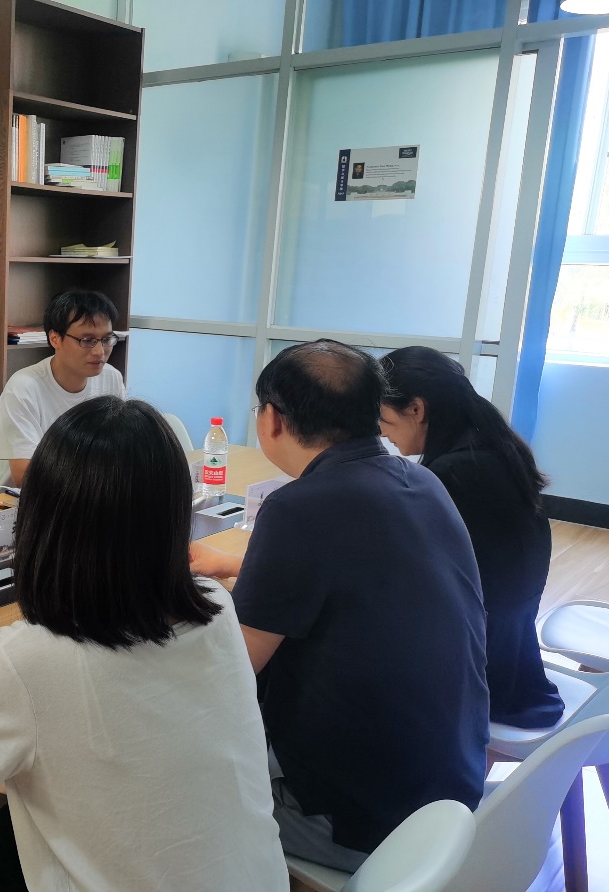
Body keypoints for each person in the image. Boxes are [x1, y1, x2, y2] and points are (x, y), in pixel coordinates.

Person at [0, 397, 289, 892]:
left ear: (42, 522)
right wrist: (18, 652)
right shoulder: (215, 604)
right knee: (10, 835)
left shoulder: (30, 661)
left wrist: (14, 662)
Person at [224, 340, 489, 872]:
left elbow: (231, 668)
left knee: (166, 783)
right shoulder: (424, 481)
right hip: (449, 790)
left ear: (271, 419)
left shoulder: (298, 508)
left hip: (360, 822)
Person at [379, 346, 564, 729]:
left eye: (383, 418)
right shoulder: (495, 448)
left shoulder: (454, 473)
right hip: (512, 655)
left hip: (477, 674)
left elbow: (407, 575)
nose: (381, 431)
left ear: (416, 409)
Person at [0, 290, 125, 492]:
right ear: (55, 338)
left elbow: (120, 448)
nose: (99, 351)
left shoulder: (111, 378)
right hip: (16, 501)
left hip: (84, 494)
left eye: (107, 339)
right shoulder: (23, 389)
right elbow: (25, 475)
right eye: (87, 340)